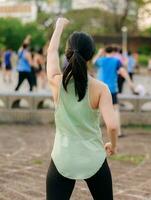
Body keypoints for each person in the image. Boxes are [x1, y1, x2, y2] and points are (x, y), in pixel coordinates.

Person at [46, 18, 118, 200]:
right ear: (91, 56)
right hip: (93, 157)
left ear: (68, 53)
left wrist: (59, 26)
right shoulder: (101, 89)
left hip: (63, 157)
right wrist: (113, 145)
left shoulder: (57, 83)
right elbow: (112, 126)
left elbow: (51, 51)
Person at [94, 45, 135, 137]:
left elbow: (93, 62)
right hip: (112, 89)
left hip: (100, 88)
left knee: (97, 110)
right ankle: (118, 132)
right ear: (114, 52)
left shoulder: (101, 60)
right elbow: (123, 71)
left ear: (105, 52)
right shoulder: (116, 61)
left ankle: (95, 131)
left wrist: (99, 54)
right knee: (115, 110)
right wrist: (130, 82)